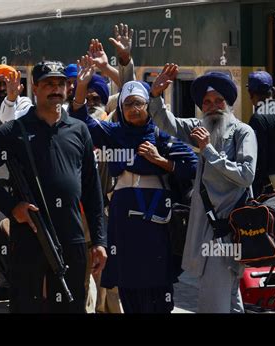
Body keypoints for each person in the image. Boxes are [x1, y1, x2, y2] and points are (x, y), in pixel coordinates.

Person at [0, 60, 107, 313]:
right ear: (34, 87)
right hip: (30, 236)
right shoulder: (14, 131)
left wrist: (99, 240)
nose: (56, 89)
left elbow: (92, 190)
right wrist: (12, 207)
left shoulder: (79, 130)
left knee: (71, 306)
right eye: (48, 84)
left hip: (71, 237)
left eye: (61, 84)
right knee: (26, 306)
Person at [71, 56, 198, 313]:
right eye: (127, 104)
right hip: (123, 218)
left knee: (158, 286)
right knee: (128, 285)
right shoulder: (114, 133)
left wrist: (161, 161)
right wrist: (81, 88)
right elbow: (81, 121)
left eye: (139, 103)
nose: (133, 109)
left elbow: (192, 167)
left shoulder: (161, 134)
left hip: (157, 220)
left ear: (147, 106)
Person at [150, 67, 257, 312]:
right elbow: (168, 123)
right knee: (228, 298)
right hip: (206, 228)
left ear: (228, 102)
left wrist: (208, 150)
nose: (213, 106)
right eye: (207, 102)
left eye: (219, 100)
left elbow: (246, 175)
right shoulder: (201, 127)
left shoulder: (243, 132)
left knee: (213, 301)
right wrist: (155, 95)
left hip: (226, 231)